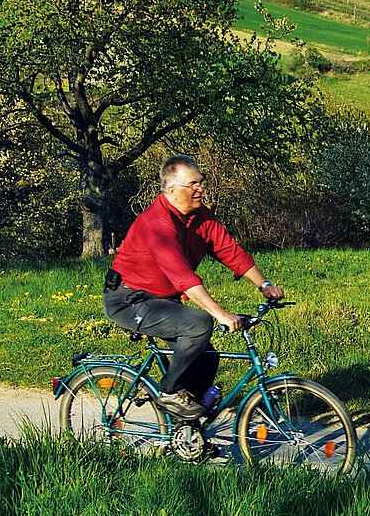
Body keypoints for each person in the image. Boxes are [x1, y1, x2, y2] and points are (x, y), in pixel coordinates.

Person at [103, 155, 284, 420]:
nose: (201, 189)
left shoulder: (201, 217)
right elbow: (182, 277)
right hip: (129, 299)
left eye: (201, 182)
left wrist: (264, 284)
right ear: (172, 191)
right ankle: (169, 393)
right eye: (193, 184)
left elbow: (230, 252)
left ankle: (187, 430)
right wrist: (220, 313)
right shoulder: (156, 224)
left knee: (207, 356)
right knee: (198, 323)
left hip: (161, 299)